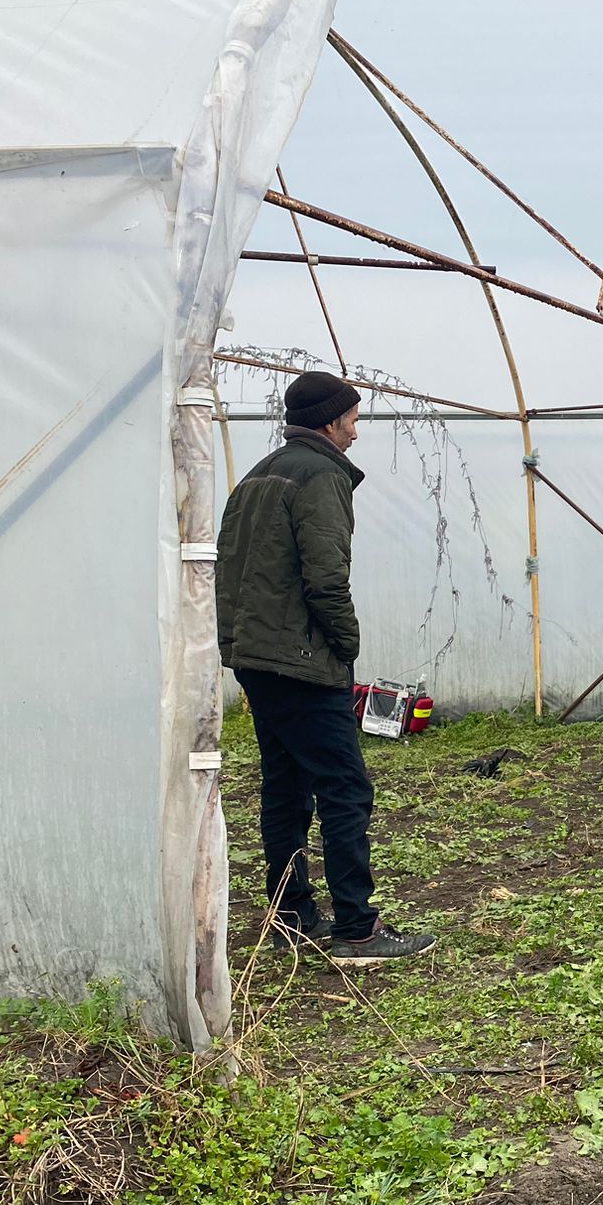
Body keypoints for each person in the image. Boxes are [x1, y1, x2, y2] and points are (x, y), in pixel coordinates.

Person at [216, 370, 437, 966]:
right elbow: (325, 578)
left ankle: (289, 916)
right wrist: (346, 645)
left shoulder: (258, 476)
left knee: (286, 788)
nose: (357, 432)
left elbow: (228, 571)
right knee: (344, 789)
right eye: (354, 419)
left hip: (256, 660)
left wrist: (235, 647)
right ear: (330, 421)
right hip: (302, 662)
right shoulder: (320, 478)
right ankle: (358, 931)